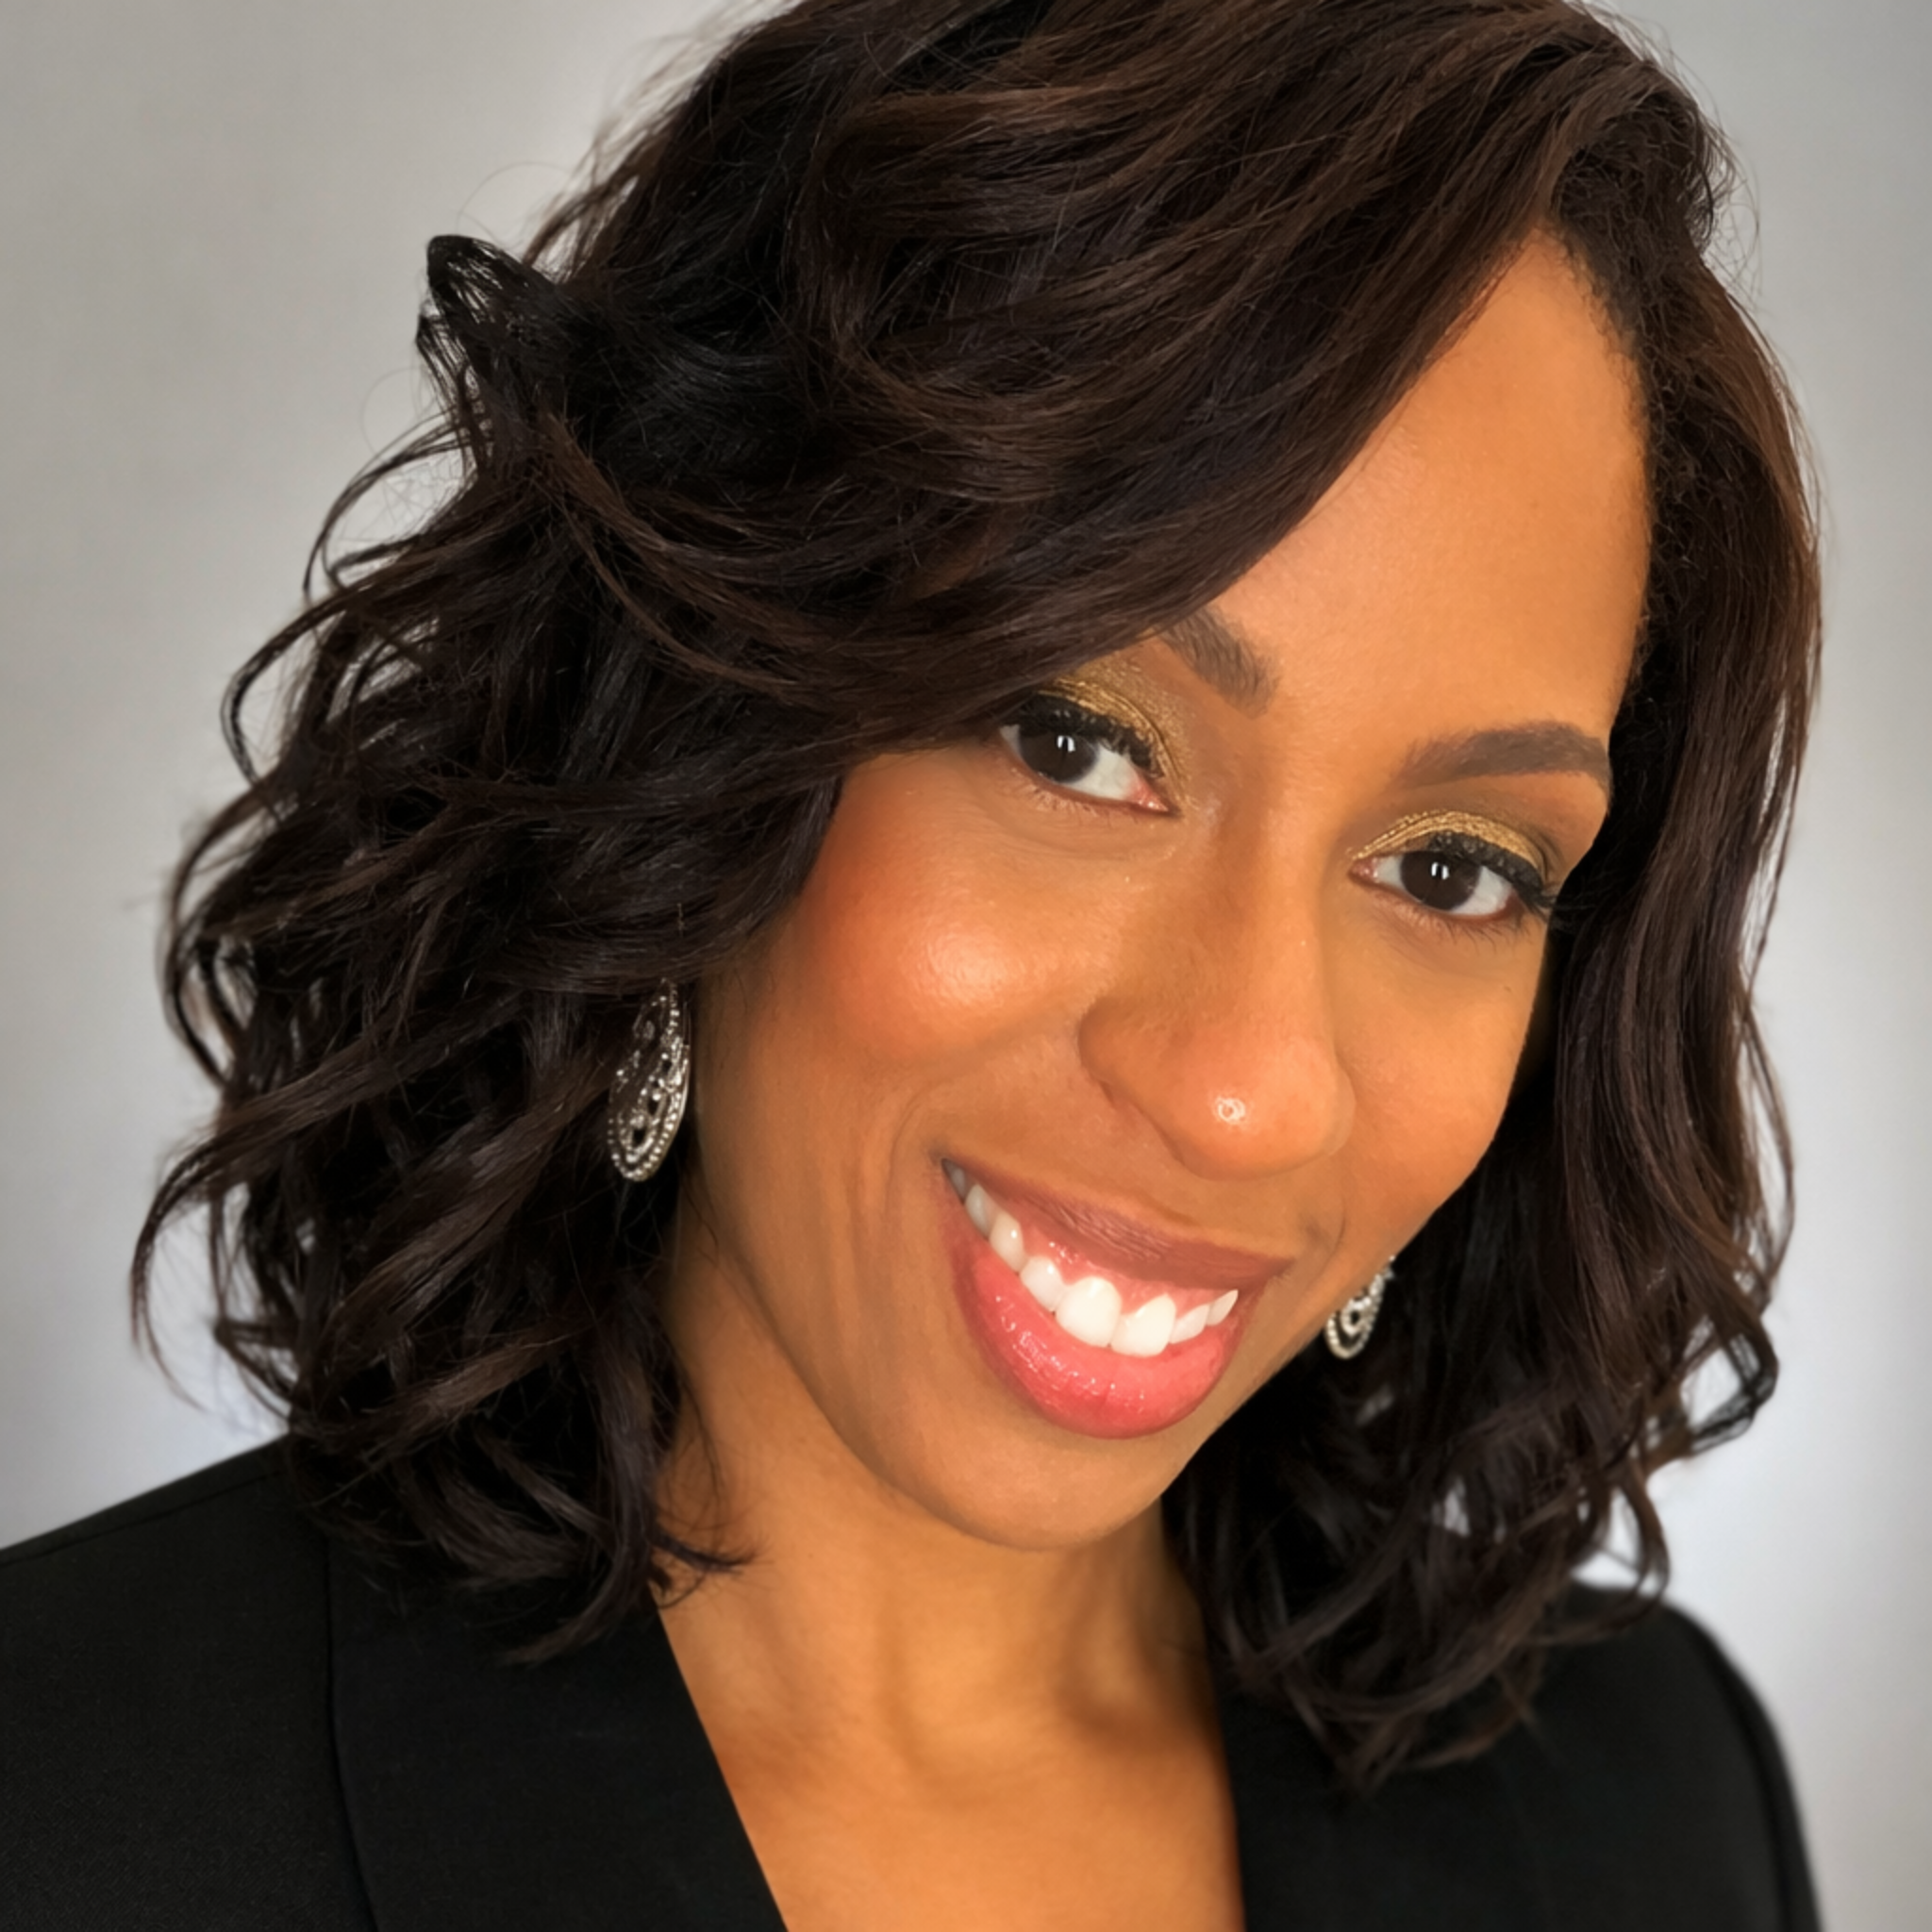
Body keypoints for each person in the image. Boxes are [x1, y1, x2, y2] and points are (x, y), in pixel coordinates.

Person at [0, 0, 1823, 1925]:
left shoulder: (1653, 1805)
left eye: (1448, 865)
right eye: (1077, 744)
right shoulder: (73, 1807)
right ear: (697, 738)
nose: (1240, 1078)